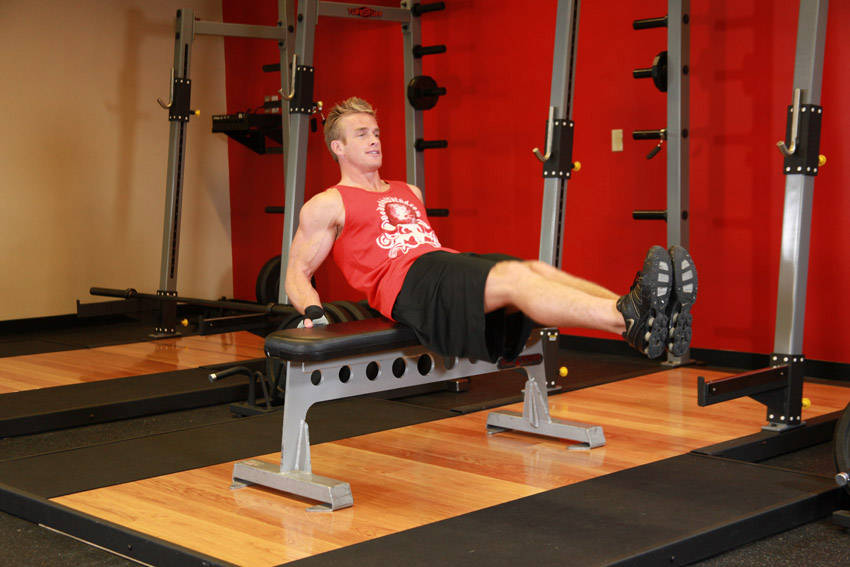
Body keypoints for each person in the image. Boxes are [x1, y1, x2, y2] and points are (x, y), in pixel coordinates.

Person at [284, 97, 697, 362]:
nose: (374, 140)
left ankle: (636, 315)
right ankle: (631, 318)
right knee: (516, 279)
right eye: (361, 134)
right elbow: (297, 272)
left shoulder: (408, 190)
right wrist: (315, 314)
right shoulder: (328, 203)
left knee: (534, 270)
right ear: (338, 147)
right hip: (407, 288)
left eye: (376, 132)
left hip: (440, 266)